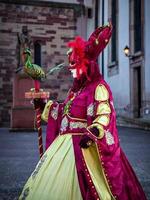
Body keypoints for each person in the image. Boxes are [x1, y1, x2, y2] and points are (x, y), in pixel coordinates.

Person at [19, 23, 147, 200]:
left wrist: (94, 131)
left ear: (86, 66)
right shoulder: (75, 91)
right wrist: (45, 105)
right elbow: (65, 111)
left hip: (84, 149)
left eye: (75, 66)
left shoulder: (98, 88)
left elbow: (104, 113)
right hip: (62, 149)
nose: (71, 70)